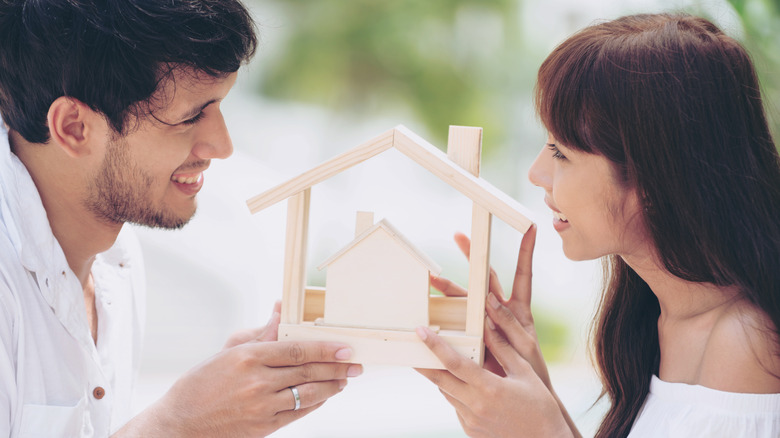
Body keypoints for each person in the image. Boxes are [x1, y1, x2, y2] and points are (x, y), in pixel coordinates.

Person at [0, 1, 362, 436]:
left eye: (220, 107)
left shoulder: (117, 257)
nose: (222, 145)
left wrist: (210, 400)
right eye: (191, 116)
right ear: (74, 128)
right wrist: (178, 424)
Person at [416, 12, 780, 438]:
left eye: (560, 152)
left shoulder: (749, 346)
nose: (536, 173)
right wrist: (539, 391)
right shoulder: (664, 320)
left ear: (652, 177)